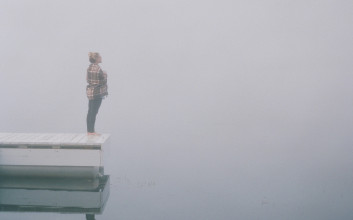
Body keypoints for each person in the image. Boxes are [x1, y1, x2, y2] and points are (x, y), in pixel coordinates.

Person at [86, 52, 108, 135]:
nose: (101, 58)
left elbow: (87, 79)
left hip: (90, 92)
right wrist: (105, 75)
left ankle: (89, 130)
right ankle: (92, 131)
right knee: (94, 112)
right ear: (96, 59)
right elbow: (102, 81)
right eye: (99, 57)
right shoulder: (98, 69)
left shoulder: (89, 68)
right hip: (97, 93)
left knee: (90, 111)